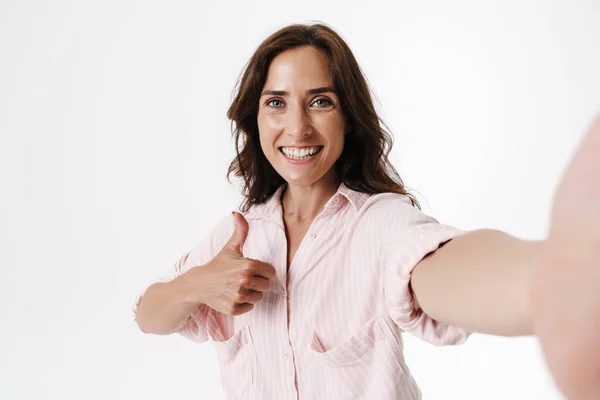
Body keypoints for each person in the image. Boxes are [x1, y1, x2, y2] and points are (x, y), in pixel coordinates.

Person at [133, 23, 600, 400]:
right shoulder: (236, 237)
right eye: (276, 103)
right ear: (255, 121)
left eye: (320, 101)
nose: (297, 127)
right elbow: (149, 316)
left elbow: (437, 267)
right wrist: (198, 283)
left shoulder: (379, 224)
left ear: (348, 117)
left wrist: (549, 281)